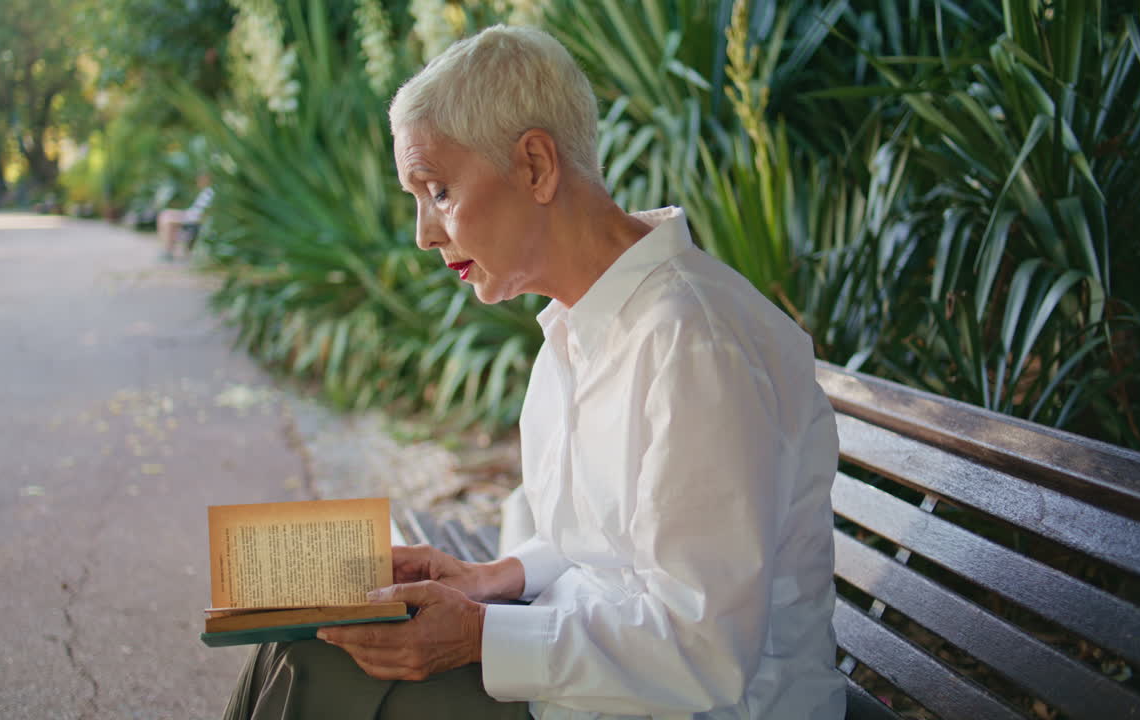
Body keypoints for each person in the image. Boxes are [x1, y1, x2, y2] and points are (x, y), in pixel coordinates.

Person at [223, 25, 845, 720]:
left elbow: (706, 650)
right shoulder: (583, 323)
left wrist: (480, 634)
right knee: (296, 644)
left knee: (306, 663)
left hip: (692, 709)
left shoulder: (694, 346)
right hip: (594, 685)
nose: (424, 232)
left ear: (536, 165)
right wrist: (488, 578)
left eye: (438, 191)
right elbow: (609, 540)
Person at [157, 173, 213, 260]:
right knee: (165, 214)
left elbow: (205, 213)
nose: (198, 182)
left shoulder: (210, 193)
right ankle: (166, 248)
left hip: (194, 219)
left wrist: (187, 216)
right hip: (191, 215)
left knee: (169, 221)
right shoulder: (205, 192)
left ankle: (168, 250)